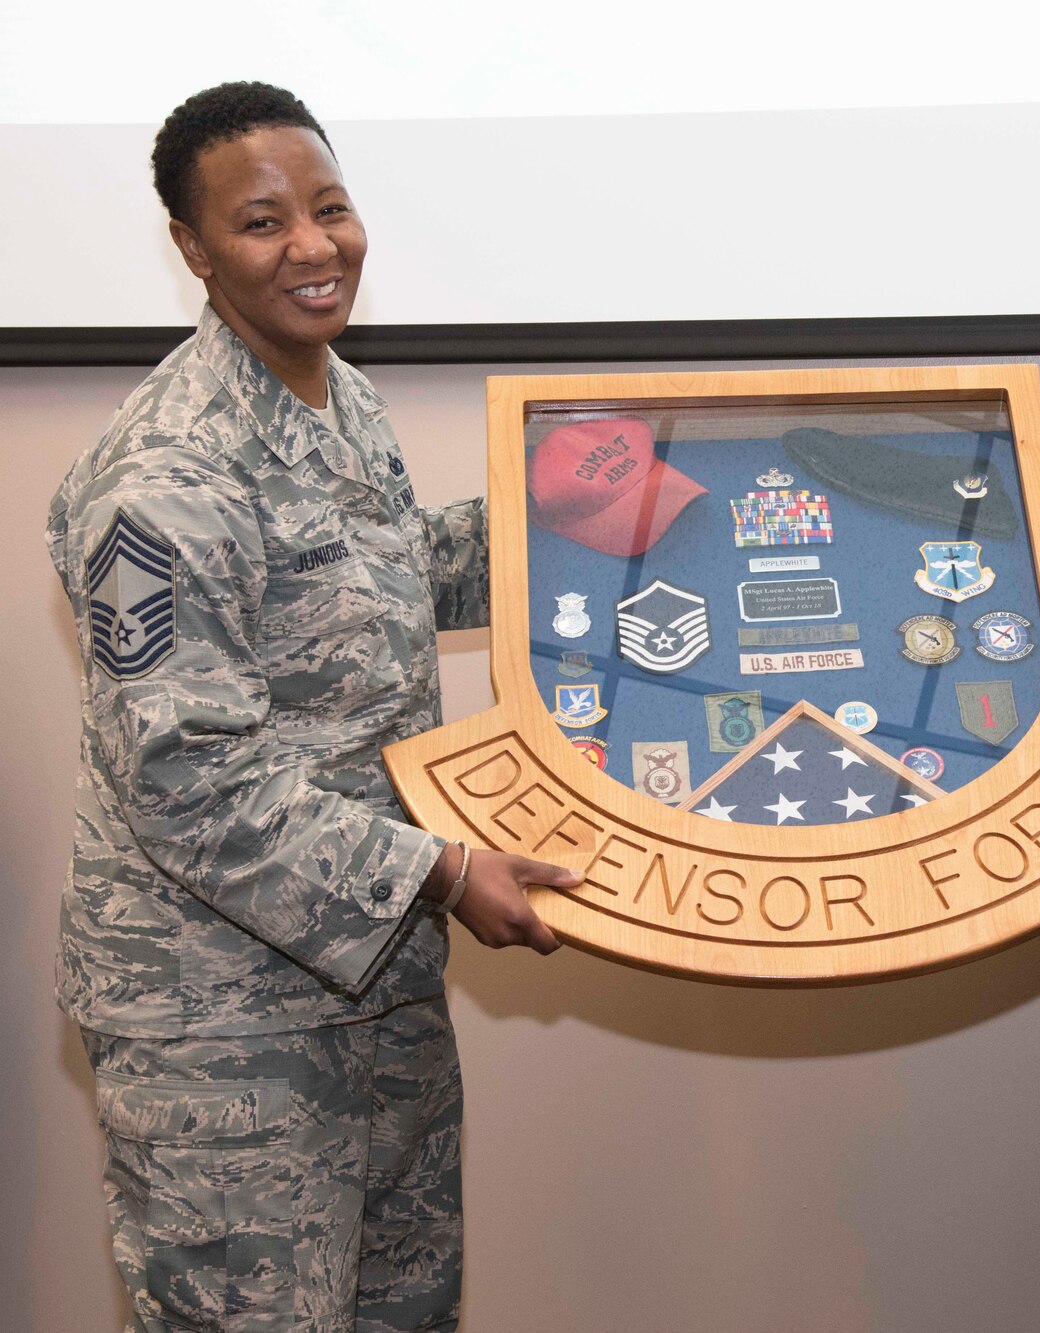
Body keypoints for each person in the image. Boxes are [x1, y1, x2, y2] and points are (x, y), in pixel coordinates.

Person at [47, 82, 580, 1330]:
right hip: (220, 1027)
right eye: (261, 223)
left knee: (400, 1308)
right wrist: (446, 871)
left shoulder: (332, 393)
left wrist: (571, 521)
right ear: (192, 248)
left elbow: (383, 571)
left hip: (369, 976)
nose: (313, 246)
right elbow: (187, 783)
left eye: (331, 209)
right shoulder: (166, 473)